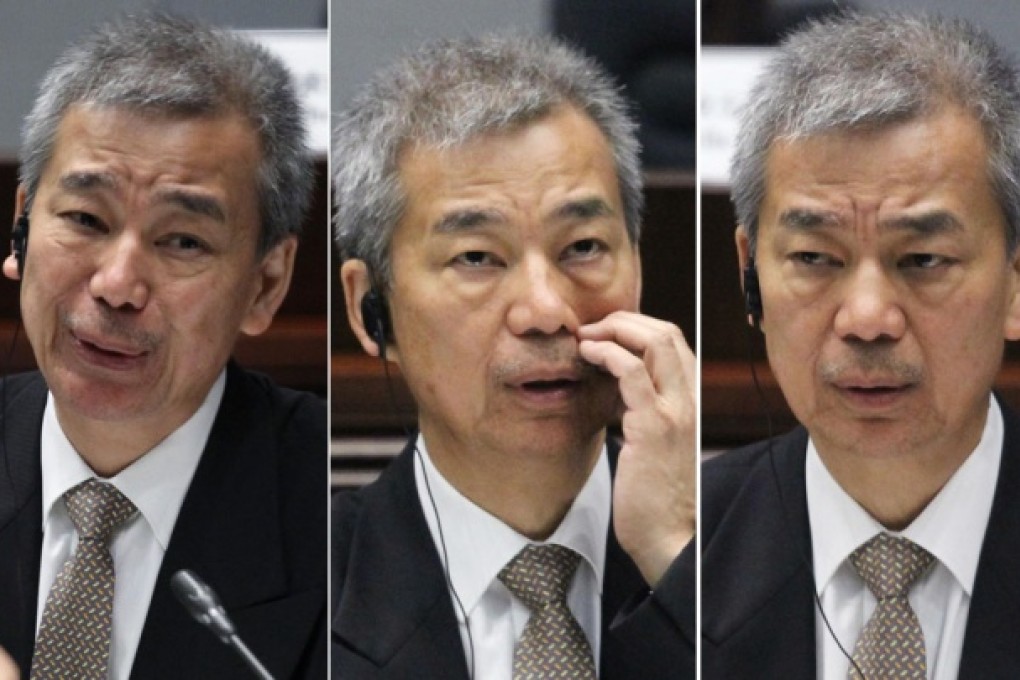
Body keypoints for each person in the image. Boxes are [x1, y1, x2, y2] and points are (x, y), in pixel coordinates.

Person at [331, 34, 695, 679]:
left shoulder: (758, 559)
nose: (545, 309)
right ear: (370, 311)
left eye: (582, 246)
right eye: (476, 257)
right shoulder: (293, 585)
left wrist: (679, 562)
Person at [0, 14, 326, 679]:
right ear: (21, 229)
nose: (117, 286)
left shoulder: (341, 525)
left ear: (266, 285)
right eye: (86, 220)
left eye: (182, 241)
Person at [702, 12, 1020, 679]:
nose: (868, 319)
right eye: (816, 257)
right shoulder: (669, 563)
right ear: (749, 277)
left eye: (924, 258)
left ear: (1015, 285)